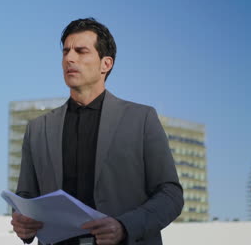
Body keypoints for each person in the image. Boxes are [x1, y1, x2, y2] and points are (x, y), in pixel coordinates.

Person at [11, 18, 183, 245]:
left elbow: (170, 195)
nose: (69, 58)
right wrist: (21, 221)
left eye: (81, 51)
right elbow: (26, 196)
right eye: (65, 52)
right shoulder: (37, 129)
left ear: (106, 64)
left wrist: (124, 226)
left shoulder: (142, 119)